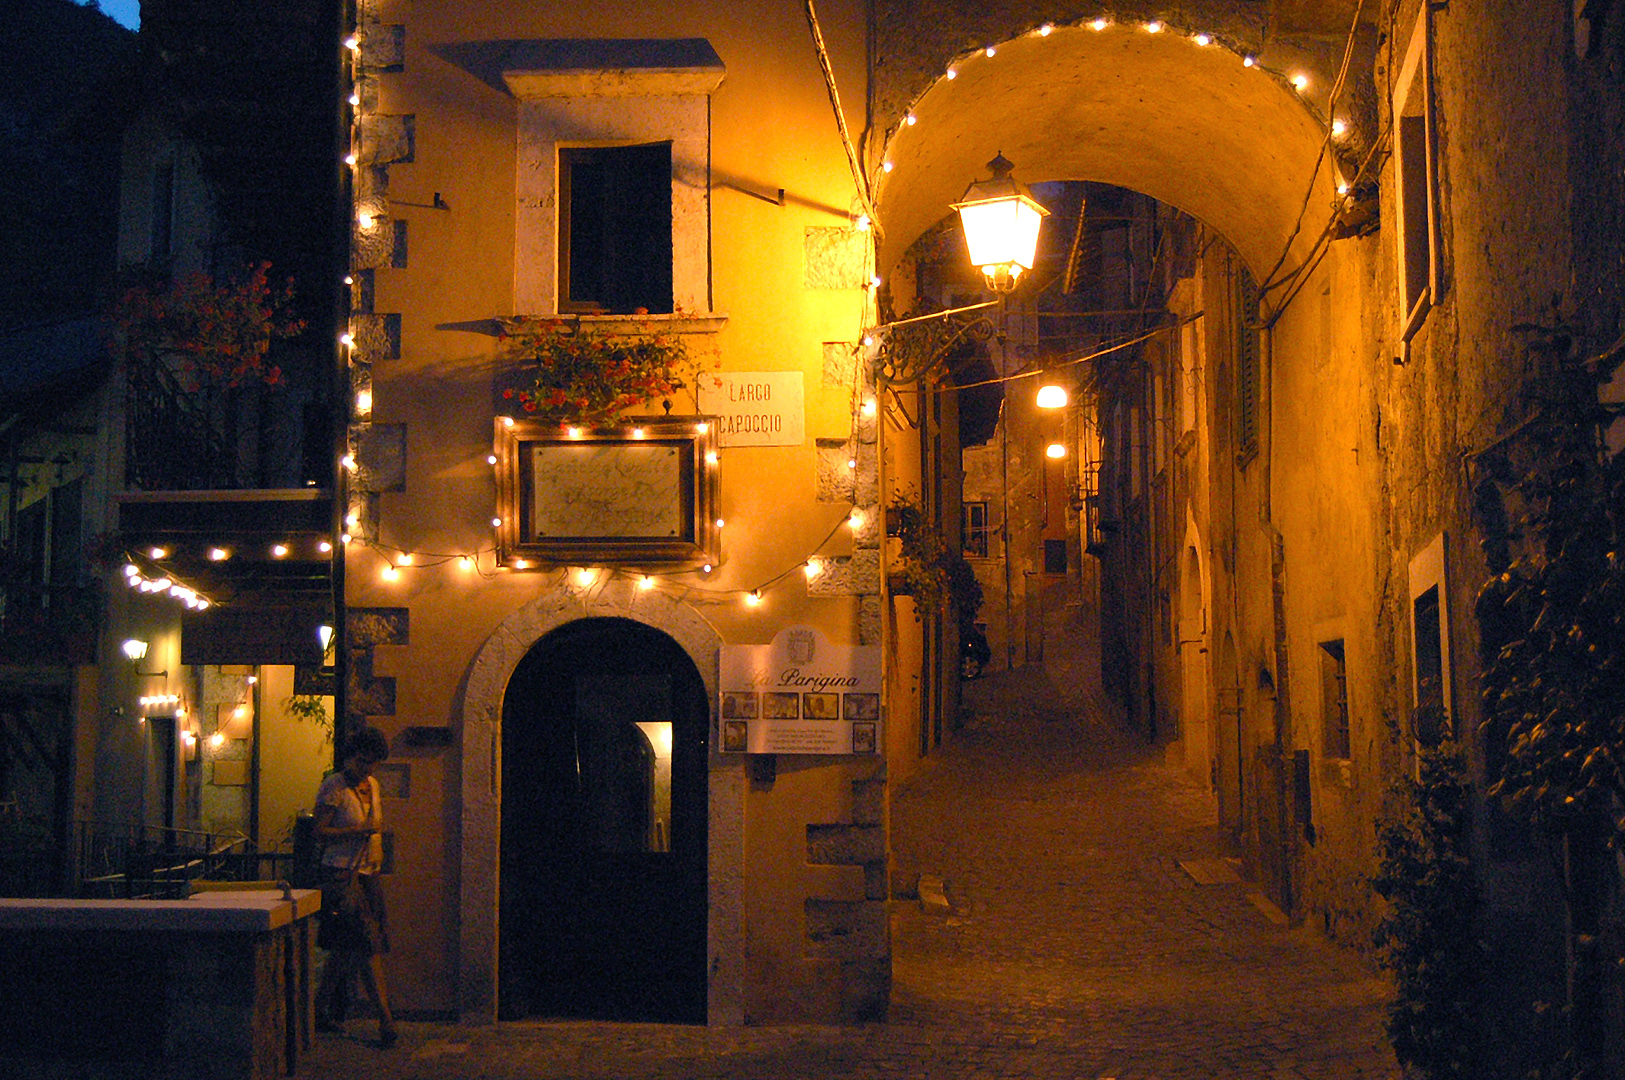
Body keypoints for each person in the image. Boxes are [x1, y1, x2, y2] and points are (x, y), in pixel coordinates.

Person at [313, 724, 398, 1048]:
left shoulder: (372, 785)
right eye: (362, 761)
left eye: (373, 762)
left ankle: (319, 1007)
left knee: (346, 947)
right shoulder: (333, 786)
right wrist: (358, 831)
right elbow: (319, 832)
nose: (367, 768)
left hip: (368, 875)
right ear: (350, 757)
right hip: (341, 875)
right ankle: (385, 1020)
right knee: (367, 945)